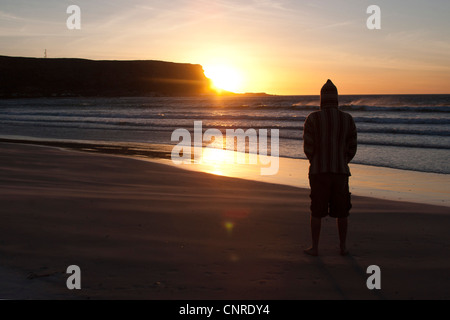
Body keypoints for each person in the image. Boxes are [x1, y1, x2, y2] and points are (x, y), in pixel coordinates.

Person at [303, 79, 357, 256]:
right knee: (342, 212)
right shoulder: (347, 119)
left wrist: (316, 160)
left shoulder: (313, 119)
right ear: (336, 99)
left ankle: (315, 248)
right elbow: (352, 146)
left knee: (316, 211)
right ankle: (342, 247)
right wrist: (342, 161)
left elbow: (308, 147)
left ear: (321, 99)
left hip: (319, 171)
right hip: (340, 172)